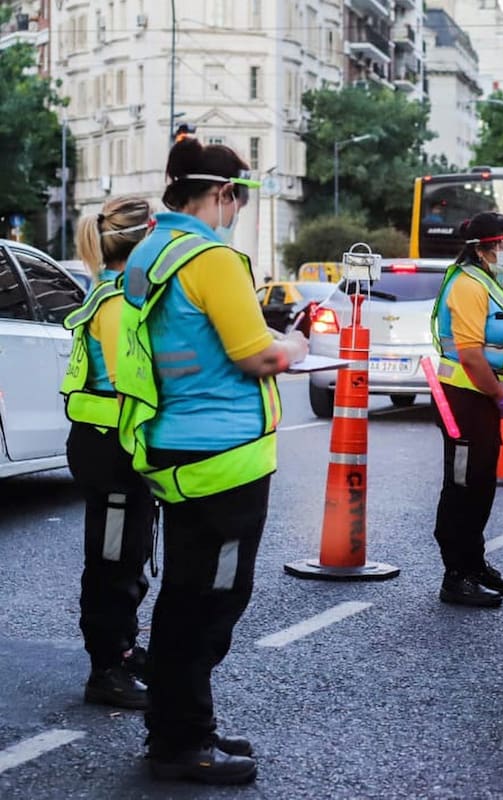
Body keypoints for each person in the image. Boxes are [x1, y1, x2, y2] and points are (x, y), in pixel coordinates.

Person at [117, 137, 307, 785]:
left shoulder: (149, 252)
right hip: (222, 457)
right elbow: (254, 353)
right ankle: (182, 740)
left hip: (173, 441)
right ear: (223, 194)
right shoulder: (214, 257)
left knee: (185, 595)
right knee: (212, 600)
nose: (237, 211)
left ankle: (179, 723)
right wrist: (299, 346)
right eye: (238, 199)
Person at [60, 196, 156, 711]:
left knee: (124, 554)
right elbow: (130, 387)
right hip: (113, 449)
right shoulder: (119, 304)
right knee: (114, 560)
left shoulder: (114, 291)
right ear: (147, 237)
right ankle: (106, 668)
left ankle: (120, 649)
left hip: (109, 446)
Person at [430, 211, 503, 608]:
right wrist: (501, 397)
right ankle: (456, 576)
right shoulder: (469, 286)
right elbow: (469, 355)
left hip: (480, 397)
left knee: (482, 483)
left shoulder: (488, 280)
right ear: (487, 249)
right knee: (464, 487)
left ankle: (475, 564)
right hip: (463, 399)